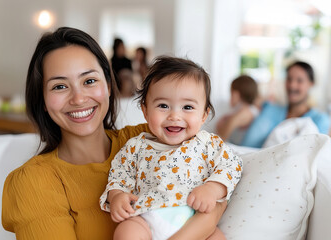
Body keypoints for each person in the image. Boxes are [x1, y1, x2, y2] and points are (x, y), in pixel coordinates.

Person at [1, 27, 227, 240]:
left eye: (89, 81)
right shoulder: (33, 182)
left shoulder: (150, 139)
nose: (78, 98)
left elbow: (219, 189)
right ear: (41, 99)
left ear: (109, 85)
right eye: (60, 86)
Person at [99, 56, 242, 240]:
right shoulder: (135, 146)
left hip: (195, 216)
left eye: (188, 107)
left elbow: (232, 166)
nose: (175, 115)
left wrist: (212, 189)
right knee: (126, 232)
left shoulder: (208, 143)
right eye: (163, 106)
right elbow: (119, 174)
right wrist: (117, 195)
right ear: (145, 110)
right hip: (147, 217)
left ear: (204, 115)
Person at [241, 61, 331, 148]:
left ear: (311, 84)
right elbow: (247, 145)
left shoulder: (320, 120)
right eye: (289, 79)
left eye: (299, 80)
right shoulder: (270, 110)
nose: (292, 85)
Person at [216, 75, 259, 145]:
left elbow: (220, 139)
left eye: (231, 93)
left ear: (236, 94)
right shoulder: (251, 110)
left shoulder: (244, 113)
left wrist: (221, 125)